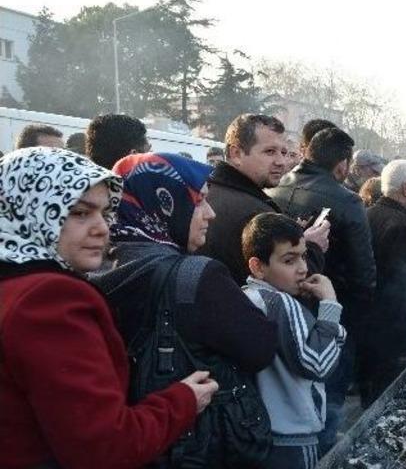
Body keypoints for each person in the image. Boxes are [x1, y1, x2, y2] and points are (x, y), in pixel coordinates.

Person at [0, 147, 217, 469]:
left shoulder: (15, 284)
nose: (102, 227)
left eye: (105, 212)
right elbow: (106, 448)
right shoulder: (49, 298)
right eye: (79, 212)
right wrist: (182, 400)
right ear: (29, 208)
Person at [91, 152, 278, 468]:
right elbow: (260, 349)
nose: (211, 213)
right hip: (194, 444)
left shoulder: (94, 265)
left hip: (130, 442)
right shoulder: (196, 277)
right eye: (199, 200)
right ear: (167, 203)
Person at [268, 127, 376, 454]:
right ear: (342, 165)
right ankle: (325, 450)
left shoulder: (272, 190)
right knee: (328, 390)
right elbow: (363, 272)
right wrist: (357, 319)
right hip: (329, 309)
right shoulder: (347, 200)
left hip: (281, 307)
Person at [242, 213, 346, 469]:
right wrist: (330, 305)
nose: (303, 268)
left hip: (262, 435)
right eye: (289, 260)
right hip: (293, 437)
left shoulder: (246, 296)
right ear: (258, 267)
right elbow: (319, 364)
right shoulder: (280, 303)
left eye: (303, 255)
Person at [199, 114, 328, 286]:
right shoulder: (254, 213)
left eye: (283, 152)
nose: (281, 161)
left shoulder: (208, 191)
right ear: (236, 153)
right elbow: (285, 286)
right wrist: (312, 249)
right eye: (269, 152)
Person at [364, 160, 406, 405]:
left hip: (373, 325)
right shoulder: (400, 225)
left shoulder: (370, 213)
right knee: (390, 398)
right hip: (395, 331)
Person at [85, 114, 150, 170]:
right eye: (148, 152)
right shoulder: (150, 182)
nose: (152, 157)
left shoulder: (86, 182)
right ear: (133, 156)